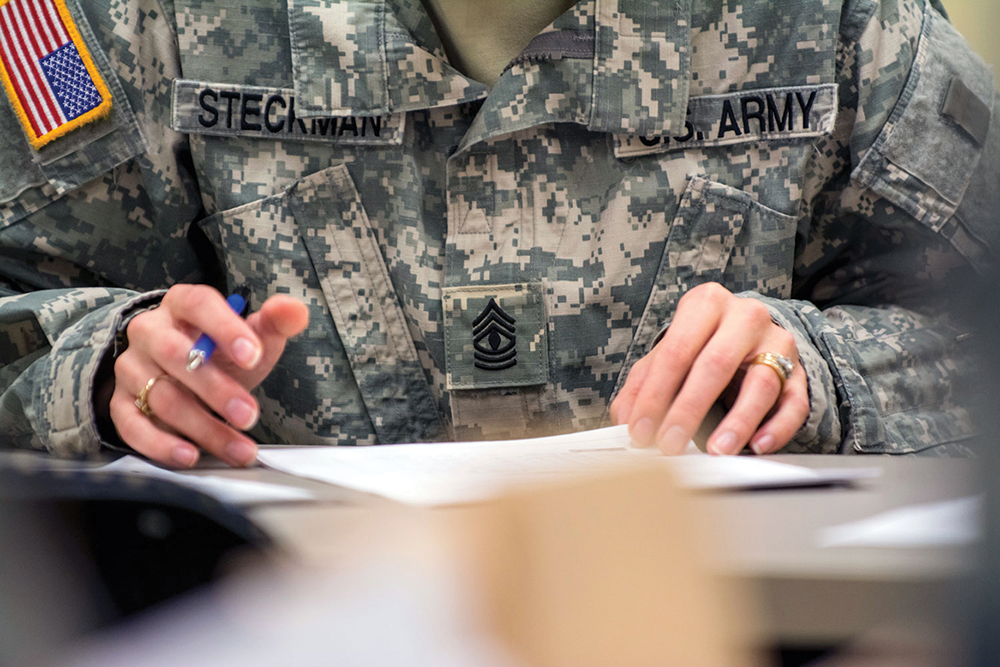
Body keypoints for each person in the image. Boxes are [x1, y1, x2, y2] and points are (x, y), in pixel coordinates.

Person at [0, 0, 995, 468]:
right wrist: (104, 369)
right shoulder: (129, 19)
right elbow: (25, 303)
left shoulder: (842, 21)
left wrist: (818, 370)